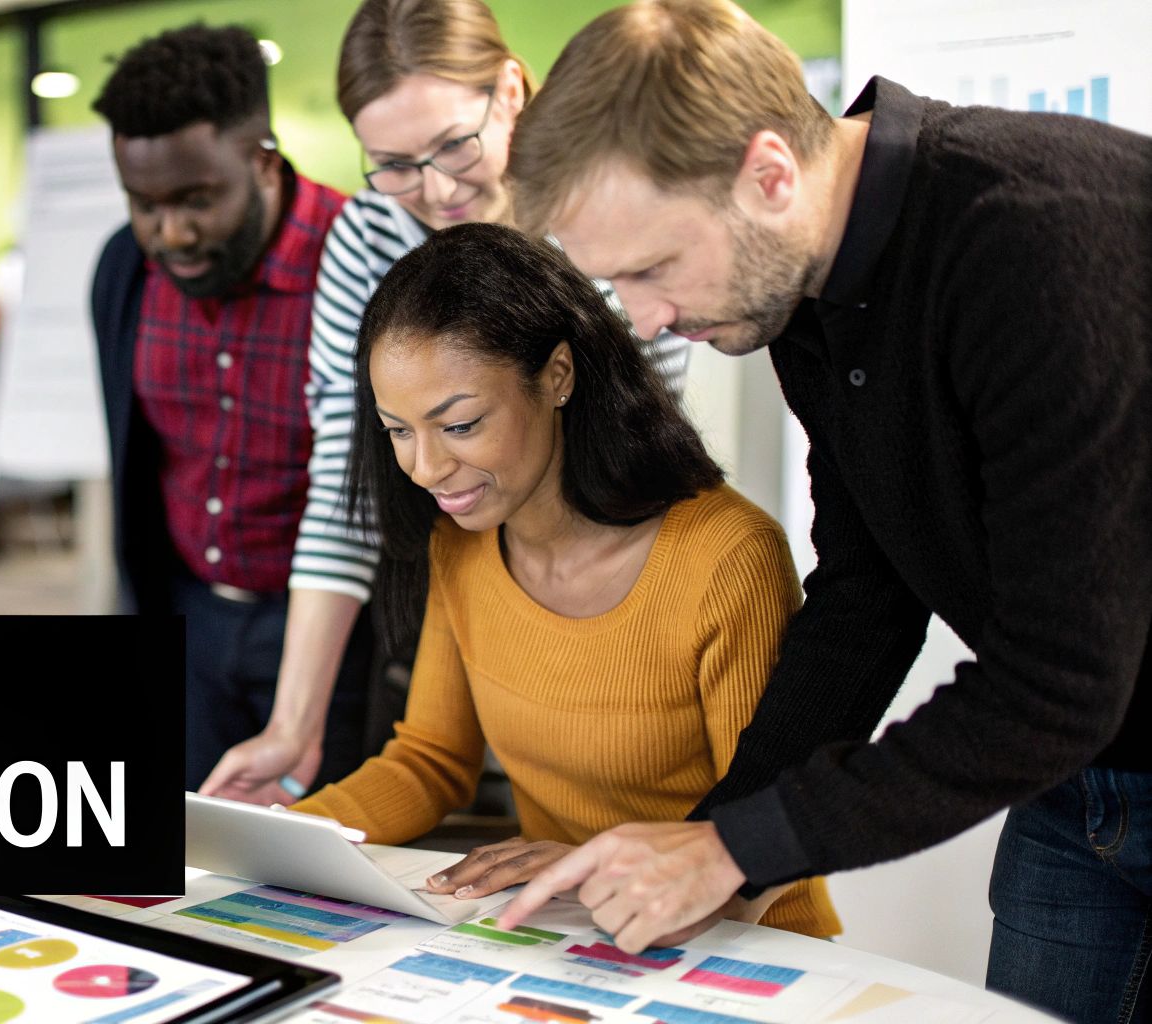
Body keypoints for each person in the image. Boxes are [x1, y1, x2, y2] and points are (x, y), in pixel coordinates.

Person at [495, 1, 1151, 1017]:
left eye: (652, 268)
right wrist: (712, 843)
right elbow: (864, 591)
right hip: (1079, 784)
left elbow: (1057, 675)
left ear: (767, 173)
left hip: (1078, 721)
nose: (646, 318)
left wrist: (735, 848)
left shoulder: (1032, 234)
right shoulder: (802, 289)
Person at [199, 0, 688, 805]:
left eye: (452, 146)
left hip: (613, 599)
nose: (430, 190)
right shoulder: (368, 236)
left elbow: (646, 456)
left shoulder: (603, 214)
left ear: (509, 92)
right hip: (449, 606)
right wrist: (294, 725)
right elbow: (343, 486)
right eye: (390, 163)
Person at [288, 221, 836, 939]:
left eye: (459, 425)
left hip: (750, 943)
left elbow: (768, 826)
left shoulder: (725, 557)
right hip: (577, 936)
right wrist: (268, 838)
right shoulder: (464, 542)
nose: (424, 468)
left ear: (558, 376)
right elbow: (429, 760)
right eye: (397, 430)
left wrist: (589, 866)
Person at [89, 24, 376, 793]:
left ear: (264, 161)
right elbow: (135, 461)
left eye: (196, 200)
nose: (170, 233)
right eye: (143, 204)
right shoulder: (124, 269)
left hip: (339, 631)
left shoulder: (359, 258)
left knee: (325, 871)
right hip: (190, 620)